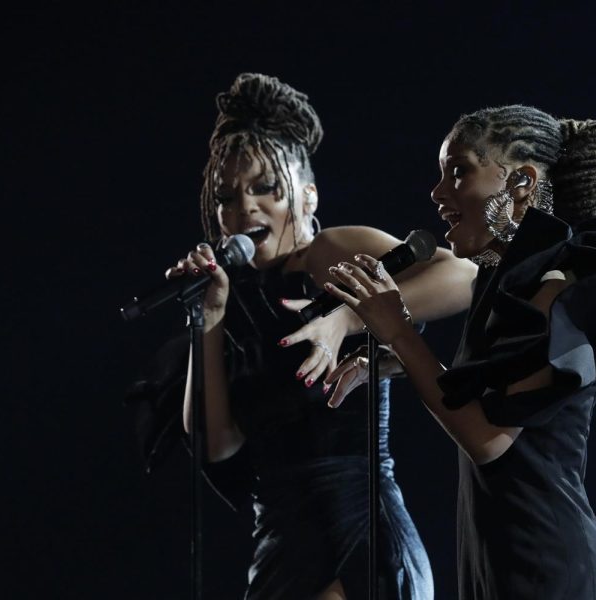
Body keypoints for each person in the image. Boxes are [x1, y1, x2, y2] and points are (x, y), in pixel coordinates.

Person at [128, 73, 476, 600]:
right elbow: (215, 444)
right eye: (227, 196)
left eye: (266, 187)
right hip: (280, 543)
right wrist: (209, 319)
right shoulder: (230, 298)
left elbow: (462, 276)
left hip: (354, 528)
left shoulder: (326, 254)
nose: (245, 207)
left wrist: (351, 317)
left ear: (308, 195)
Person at [324, 105, 596, 599]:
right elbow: (486, 391)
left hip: (547, 568)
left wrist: (400, 333)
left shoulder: (559, 284)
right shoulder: (503, 284)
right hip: (498, 560)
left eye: (458, 172)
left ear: (520, 182)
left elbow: (491, 439)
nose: (437, 194)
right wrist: (396, 361)